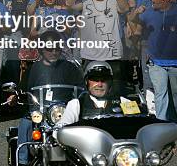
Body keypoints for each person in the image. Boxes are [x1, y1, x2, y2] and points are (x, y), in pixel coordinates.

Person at [15, 31, 83, 166]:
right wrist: (15, 94)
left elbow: (81, 87)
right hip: (40, 111)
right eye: (49, 49)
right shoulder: (33, 69)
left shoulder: (69, 67)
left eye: (56, 49)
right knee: (25, 124)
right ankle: (22, 161)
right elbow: (22, 88)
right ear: (41, 49)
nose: (53, 52)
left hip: (64, 111)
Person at [58, 61, 132, 125]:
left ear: (110, 82)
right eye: (95, 79)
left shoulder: (125, 102)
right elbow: (59, 131)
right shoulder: (76, 104)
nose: (99, 84)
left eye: (104, 79)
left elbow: (138, 127)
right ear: (87, 82)